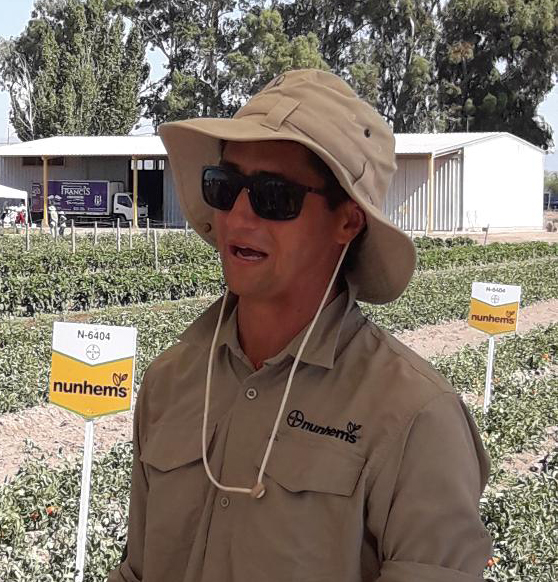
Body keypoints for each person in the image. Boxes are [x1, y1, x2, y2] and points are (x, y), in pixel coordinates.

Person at [108, 69, 492, 582]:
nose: (239, 216)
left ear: (347, 221)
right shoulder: (170, 381)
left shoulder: (415, 418)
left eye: (274, 195)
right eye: (225, 187)